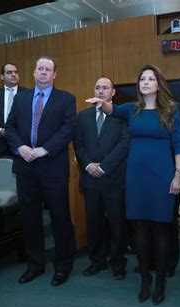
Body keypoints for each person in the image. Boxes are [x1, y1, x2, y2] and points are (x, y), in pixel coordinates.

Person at [87, 64, 180, 305]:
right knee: (139, 230)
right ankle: (144, 281)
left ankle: (160, 280)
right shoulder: (132, 109)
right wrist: (101, 102)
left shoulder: (171, 110)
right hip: (136, 177)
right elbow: (113, 109)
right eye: (142, 79)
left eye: (151, 79)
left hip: (162, 175)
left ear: (159, 83)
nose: (146, 82)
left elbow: (179, 143)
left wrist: (178, 174)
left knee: (161, 230)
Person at [6, 56, 77, 287]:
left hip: (52, 166)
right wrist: (20, 147)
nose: (43, 72)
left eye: (48, 69)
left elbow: (69, 129)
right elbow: (10, 127)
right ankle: (34, 265)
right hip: (25, 166)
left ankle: (63, 266)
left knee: (60, 218)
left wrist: (45, 150)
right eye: (40, 69)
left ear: (54, 74)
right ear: (34, 73)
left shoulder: (66, 99)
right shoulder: (21, 98)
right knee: (30, 219)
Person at [74, 77, 129, 280]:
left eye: (105, 88)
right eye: (97, 87)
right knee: (93, 222)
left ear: (113, 92)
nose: (100, 91)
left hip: (114, 179)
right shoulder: (83, 116)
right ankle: (97, 261)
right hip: (90, 180)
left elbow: (124, 144)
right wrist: (88, 165)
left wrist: (104, 167)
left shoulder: (121, 115)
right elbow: (78, 144)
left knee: (117, 223)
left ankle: (117, 262)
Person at [0, 63, 27, 158]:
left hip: (22, 143)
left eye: (16, 72)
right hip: (0, 145)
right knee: (2, 171)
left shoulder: (28, 94)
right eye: (9, 72)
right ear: (2, 76)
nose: (14, 74)